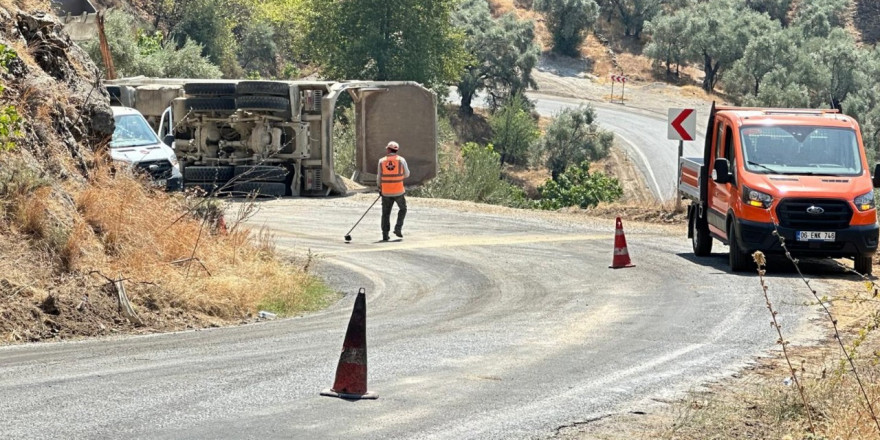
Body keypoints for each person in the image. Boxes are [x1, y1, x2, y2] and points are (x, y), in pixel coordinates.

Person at [378, 141, 410, 241]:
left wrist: (380, 188)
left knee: (386, 213)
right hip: (398, 191)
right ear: (396, 150)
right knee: (403, 209)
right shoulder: (401, 160)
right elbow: (407, 174)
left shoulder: (382, 161)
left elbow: (379, 177)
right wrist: (399, 177)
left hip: (386, 192)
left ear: (388, 149)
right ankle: (398, 228)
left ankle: (385, 234)